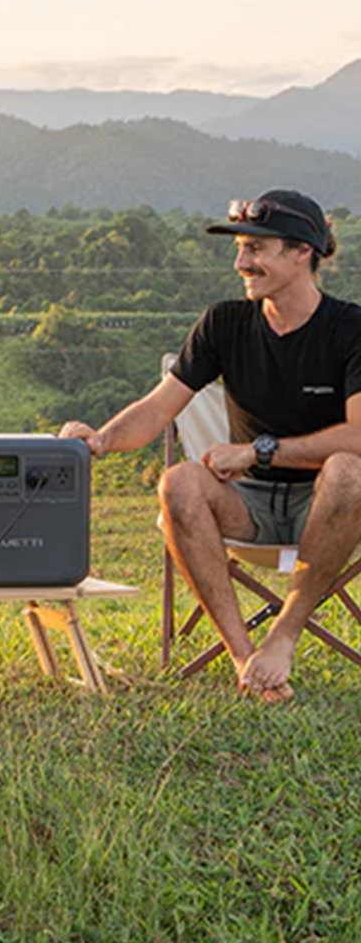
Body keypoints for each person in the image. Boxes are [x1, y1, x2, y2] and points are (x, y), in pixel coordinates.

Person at [60, 189, 361, 701]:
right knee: (178, 483)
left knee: (349, 470)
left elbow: (359, 438)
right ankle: (247, 660)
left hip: (330, 507)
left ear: (302, 251)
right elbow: (159, 408)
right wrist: (101, 440)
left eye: (256, 249)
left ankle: (284, 635)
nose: (242, 262)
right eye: (240, 248)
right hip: (249, 505)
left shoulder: (350, 328)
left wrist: (256, 451)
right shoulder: (225, 323)